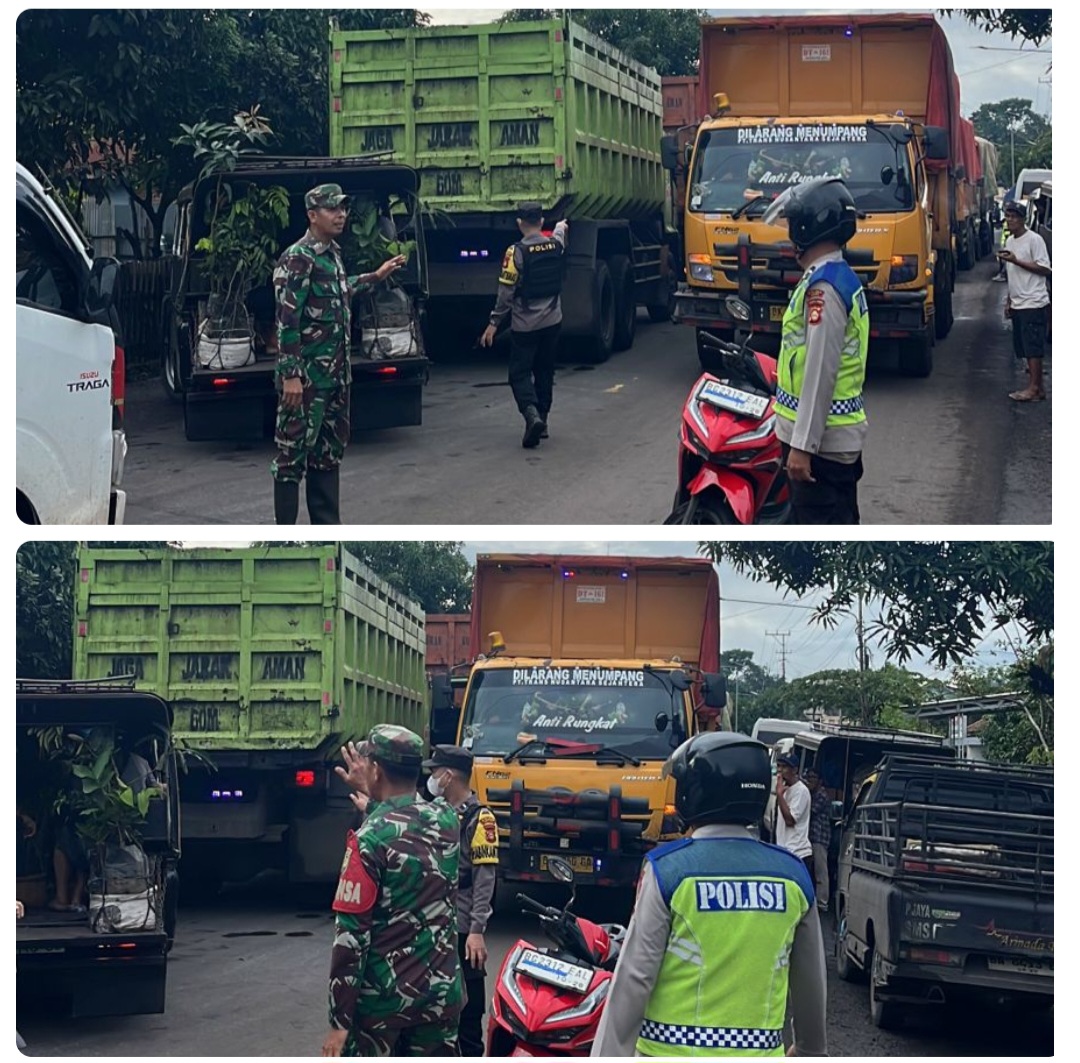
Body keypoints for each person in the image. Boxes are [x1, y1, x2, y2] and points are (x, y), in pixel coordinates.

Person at [591, 732, 827, 1056]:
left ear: (694, 792)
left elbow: (633, 981)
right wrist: (808, 1050)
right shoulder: (794, 877)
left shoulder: (668, 870)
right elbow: (810, 988)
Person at [322, 725, 463, 1057]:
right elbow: (411, 823)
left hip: (382, 1010)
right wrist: (374, 799)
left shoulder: (368, 842)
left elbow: (350, 940)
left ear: (376, 770)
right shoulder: (447, 821)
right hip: (441, 1002)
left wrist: (339, 1022)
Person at [272, 183, 407, 524]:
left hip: (335, 378)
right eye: (333, 209)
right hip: (306, 380)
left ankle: (328, 532)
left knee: (328, 455)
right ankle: (284, 538)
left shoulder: (331, 254)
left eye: (343, 208)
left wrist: (376, 276)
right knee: (291, 458)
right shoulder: (299, 257)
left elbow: (341, 292)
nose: (342, 215)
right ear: (312, 215)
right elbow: (287, 319)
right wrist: (291, 375)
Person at [762, 177, 869, 524]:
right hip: (832, 440)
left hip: (822, 448)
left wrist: (802, 447)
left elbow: (820, 371)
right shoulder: (834, 276)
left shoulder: (825, 287)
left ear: (810, 225)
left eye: (794, 223)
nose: (790, 232)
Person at [422, 745, 499, 1058]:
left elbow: (485, 877)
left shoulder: (481, 820)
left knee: (469, 1014)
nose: (431, 778)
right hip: (435, 926)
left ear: (448, 776)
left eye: (434, 772)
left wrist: (478, 929)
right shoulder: (434, 812)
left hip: (464, 927)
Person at [479, 201, 569, 448]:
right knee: (544, 370)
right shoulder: (556, 244)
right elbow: (560, 233)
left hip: (525, 325)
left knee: (519, 373)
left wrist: (493, 324)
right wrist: (560, 225)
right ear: (541, 222)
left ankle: (531, 414)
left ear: (519, 224)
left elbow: (506, 293)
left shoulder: (515, 253)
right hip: (553, 321)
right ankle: (544, 420)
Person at [999, 199, 1051, 402]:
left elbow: (1045, 269)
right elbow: (1012, 275)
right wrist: (1009, 301)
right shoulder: (1010, 242)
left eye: (1013, 217)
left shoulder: (1034, 240)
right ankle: (1036, 387)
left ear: (1023, 220)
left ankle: (1035, 388)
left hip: (1033, 301)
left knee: (1033, 347)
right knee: (1024, 347)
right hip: (1019, 302)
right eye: (1007, 216)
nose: (1009, 220)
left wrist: (1016, 260)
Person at [774, 753, 814, 880]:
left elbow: (790, 820)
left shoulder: (801, 791)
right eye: (779, 766)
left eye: (785, 767)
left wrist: (779, 795)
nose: (780, 771)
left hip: (797, 853)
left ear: (795, 770)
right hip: (784, 851)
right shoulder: (785, 789)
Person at [804, 768, 832, 914]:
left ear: (820, 781)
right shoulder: (813, 794)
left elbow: (810, 811)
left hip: (820, 838)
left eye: (813, 778)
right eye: (808, 777)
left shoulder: (821, 795)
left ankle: (822, 903)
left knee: (821, 872)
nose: (810, 780)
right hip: (811, 837)